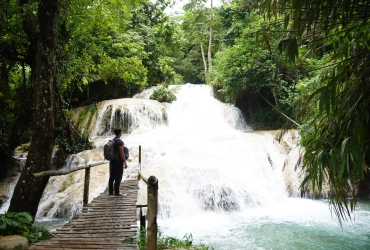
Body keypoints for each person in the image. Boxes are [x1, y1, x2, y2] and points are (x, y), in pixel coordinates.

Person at [108, 128, 128, 196]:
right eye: (121, 131)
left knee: (112, 176)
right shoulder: (120, 142)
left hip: (112, 161)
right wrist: (125, 162)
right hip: (118, 162)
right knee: (118, 176)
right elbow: (122, 152)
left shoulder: (113, 140)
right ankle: (117, 192)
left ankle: (110, 192)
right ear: (120, 133)